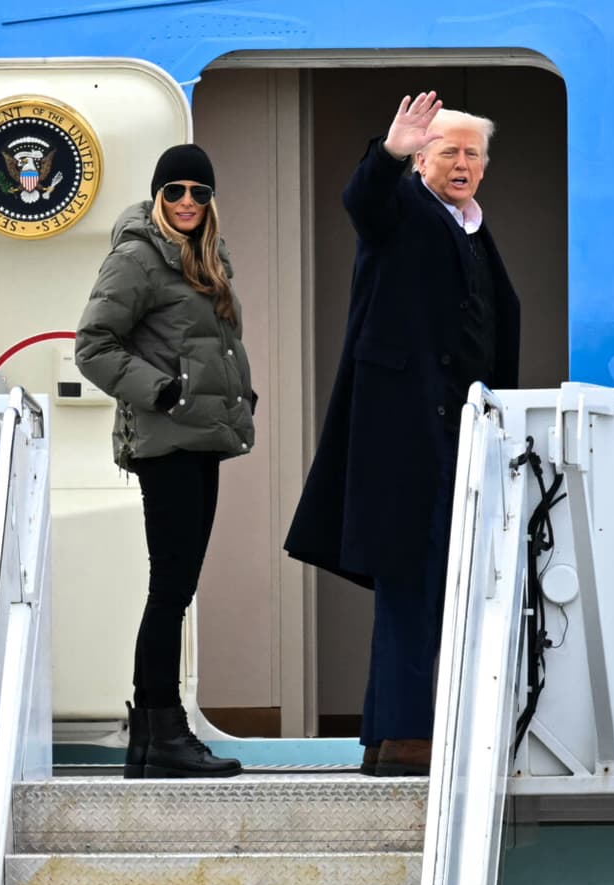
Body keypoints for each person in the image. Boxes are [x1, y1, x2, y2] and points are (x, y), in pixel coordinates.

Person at [285, 92, 521, 776]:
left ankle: (389, 734)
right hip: (406, 434)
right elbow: (364, 202)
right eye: (447, 150)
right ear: (420, 158)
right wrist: (385, 156)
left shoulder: (471, 226)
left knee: (428, 581)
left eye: (473, 153)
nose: (463, 163)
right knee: (414, 582)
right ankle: (410, 735)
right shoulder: (402, 205)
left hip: (454, 435)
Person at [76, 143, 256, 778]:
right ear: (158, 197)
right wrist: (162, 390)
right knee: (170, 591)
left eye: (198, 193)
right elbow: (93, 345)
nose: (186, 202)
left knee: (174, 590)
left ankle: (151, 741)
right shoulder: (138, 257)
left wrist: (236, 397)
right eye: (174, 191)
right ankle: (166, 731)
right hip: (167, 441)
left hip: (199, 438)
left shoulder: (206, 256)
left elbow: (212, 346)